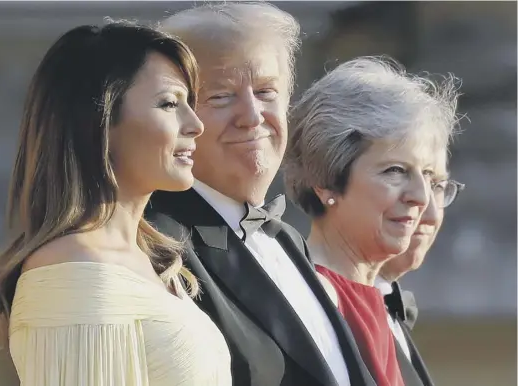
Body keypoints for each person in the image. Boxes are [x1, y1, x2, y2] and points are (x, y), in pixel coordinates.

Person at [0, 21, 232, 386]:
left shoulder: (150, 261)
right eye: (169, 103)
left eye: (189, 104)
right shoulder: (75, 268)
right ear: (99, 122)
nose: (196, 125)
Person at [146, 4, 375, 386]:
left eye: (267, 91)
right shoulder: (155, 244)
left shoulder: (287, 239)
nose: (252, 116)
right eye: (220, 96)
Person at [283, 56, 461, 386]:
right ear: (327, 179)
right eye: (396, 171)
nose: (421, 197)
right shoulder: (293, 301)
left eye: (428, 176)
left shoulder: (382, 307)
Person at [376, 176, 464, 386]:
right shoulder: (311, 303)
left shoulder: (391, 309)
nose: (431, 215)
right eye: (397, 174)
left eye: (438, 187)